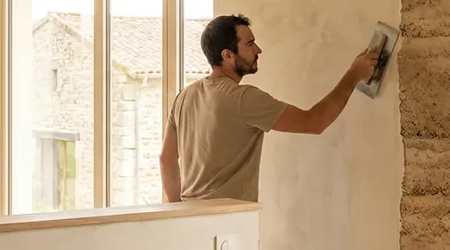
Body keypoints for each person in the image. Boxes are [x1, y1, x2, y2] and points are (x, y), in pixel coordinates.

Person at [159, 14, 381, 203]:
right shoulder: (242, 99)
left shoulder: (184, 97)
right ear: (227, 55)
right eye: (250, 44)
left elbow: (166, 159)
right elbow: (314, 122)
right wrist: (353, 75)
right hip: (228, 227)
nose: (258, 49)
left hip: (191, 222)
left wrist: (180, 211)